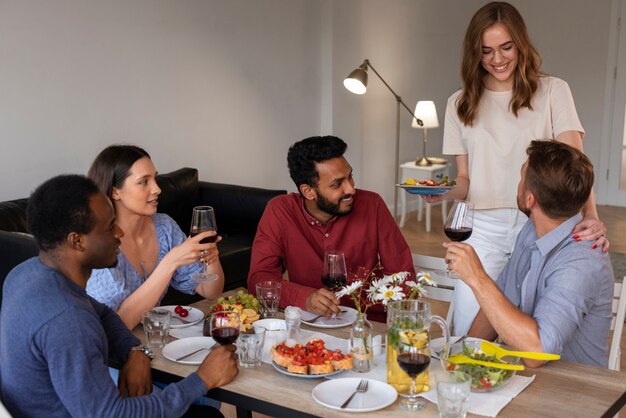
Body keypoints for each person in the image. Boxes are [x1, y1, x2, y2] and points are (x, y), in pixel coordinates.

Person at [429, 1, 608, 335]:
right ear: (475, 54)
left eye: (506, 47)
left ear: (521, 44)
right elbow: (465, 181)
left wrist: (592, 216)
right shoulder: (460, 103)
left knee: (539, 332)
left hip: (543, 223)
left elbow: (577, 166)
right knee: (472, 329)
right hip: (482, 229)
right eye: (486, 51)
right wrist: (440, 192)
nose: (497, 59)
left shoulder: (554, 90)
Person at [0, 175, 238, 417]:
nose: (120, 232)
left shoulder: (27, 272)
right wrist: (203, 379)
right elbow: (112, 414)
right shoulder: (68, 319)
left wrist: (135, 351)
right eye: (109, 226)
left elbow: (102, 313)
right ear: (77, 241)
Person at [444, 140, 614, 368]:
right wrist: (463, 356)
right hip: (531, 380)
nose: (518, 184)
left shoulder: (581, 260)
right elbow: (501, 299)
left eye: (521, 177)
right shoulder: (531, 230)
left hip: (573, 391)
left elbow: (537, 353)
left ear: (529, 198)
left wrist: (477, 277)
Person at [247, 135, 415, 323]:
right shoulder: (281, 211)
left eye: (350, 176)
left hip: (368, 324)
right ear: (308, 191)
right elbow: (260, 279)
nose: (351, 189)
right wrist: (305, 298)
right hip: (309, 325)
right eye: (337, 184)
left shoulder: (372, 205)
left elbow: (403, 276)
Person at [86, 145, 224, 329]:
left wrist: (210, 258)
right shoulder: (98, 243)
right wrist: (169, 263)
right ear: (115, 191)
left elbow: (211, 291)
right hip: (111, 349)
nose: (157, 189)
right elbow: (115, 326)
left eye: (155, 179)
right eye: (144, 181)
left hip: (154, 337)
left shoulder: (164, 227)